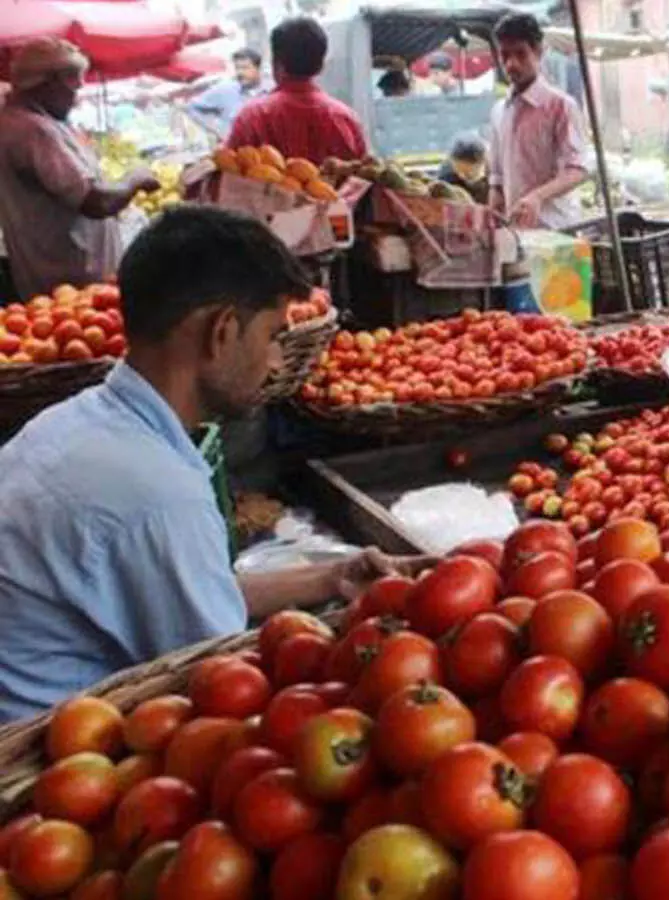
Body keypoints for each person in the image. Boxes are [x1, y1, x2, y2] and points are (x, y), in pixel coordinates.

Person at [0, 205, 427, 721]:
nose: (274, 361)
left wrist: (333, 577)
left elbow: (191, 592)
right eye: (271, 335)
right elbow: (227, 681)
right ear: (221, 331)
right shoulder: (155, 493)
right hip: (45, 759)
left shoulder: (74, 423)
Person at [0, 39, 160, 301]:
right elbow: (96, 201)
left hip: (63, 279)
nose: (79, 91)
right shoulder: (33, 131)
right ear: (50, 81)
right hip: (69, 281)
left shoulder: (30, 121)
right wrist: (135, 178)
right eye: (74, 81)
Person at [486, 13, 589, 229]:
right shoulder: (499, 112)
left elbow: (577, 170)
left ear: (539, 52)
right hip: (515, 231)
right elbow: (496, 177)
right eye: (504, 55)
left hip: (557, 230)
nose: (511, 64)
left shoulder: (561, 106)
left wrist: (537, 197)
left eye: (521, 54)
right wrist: (493, 208)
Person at [227, 17, 368, 163]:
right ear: (321, 65)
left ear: (276, 63)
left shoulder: (251, 118)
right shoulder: (346, 119)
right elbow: (366, 176)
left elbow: (226, 176)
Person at [186, 47, 269, 138]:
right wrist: (220, 130)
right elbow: (192, 107)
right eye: (237, 68)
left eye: (245, 68)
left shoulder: (272, 90)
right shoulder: (224, 91)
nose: (240, 72)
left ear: (258, 68)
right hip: (238, 149)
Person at [439, 132, 489, 202]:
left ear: (484, 163)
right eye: (458, 171)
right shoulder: (447, 174)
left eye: (469, 174)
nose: (462, 176)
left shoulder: (498, 176)